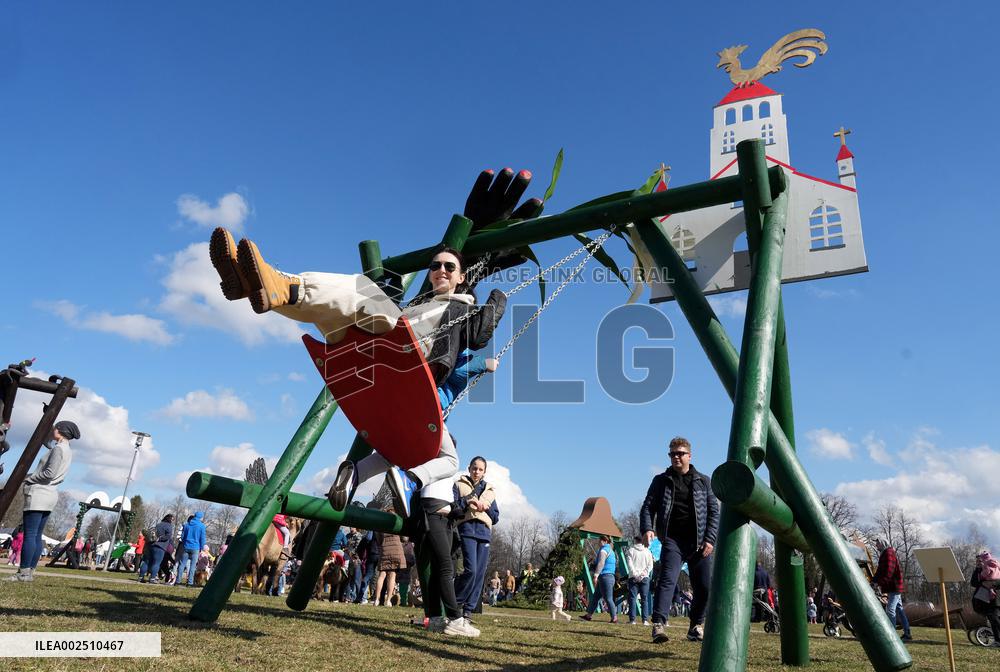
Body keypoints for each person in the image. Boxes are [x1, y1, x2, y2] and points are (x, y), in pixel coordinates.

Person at [640, 436, 719, 643]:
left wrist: (710, 539)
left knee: (703, 587)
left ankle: (695, 626)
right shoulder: (661, 481)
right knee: (668, 579)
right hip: (673, 540)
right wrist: (648, 528)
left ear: (689, 456)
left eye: (680, 453)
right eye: (672, 454)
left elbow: (714, 511)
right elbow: (648, 507)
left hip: (699, 542)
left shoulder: (703, 481)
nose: (676, 457)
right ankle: (658, 625)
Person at [412, 456, 479, 637]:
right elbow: (427, 496)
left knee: (437, 571)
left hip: (444, 519)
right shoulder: (429, 465)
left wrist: (465, 503)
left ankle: (435, 619)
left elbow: (450, 504)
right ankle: (455, 619)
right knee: (445, 567)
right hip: (432, 516)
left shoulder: (448, 470)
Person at [7, 420, 79, 583]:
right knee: (37, 535)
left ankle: (23, 573)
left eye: (54, 428)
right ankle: (29, 571)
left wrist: (27, 478)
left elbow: (48, 473)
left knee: (30, 534)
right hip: (50, 495)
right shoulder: (67, 450)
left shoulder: (58, 449)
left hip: (39, 493)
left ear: (59, 431)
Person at [452, 456, 498, 620]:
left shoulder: (490, 491)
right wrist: (467, 501)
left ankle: (468, 611)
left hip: (484, 533)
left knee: (479, 573)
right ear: (469, 468)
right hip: (467, 529)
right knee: (470, 570)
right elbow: (454, 509)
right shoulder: (459, 485)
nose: (476, 472)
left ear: (484, 472)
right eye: (474, 468)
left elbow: (496, 517)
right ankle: (455, 602)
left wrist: (486, 508)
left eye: (480, 469)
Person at [873, 539, 912, 642]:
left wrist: (879, 583)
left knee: (890, 610)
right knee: (899, 609)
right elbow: (879, 571)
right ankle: (907, 633)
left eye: (877, 543)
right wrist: (873, 581)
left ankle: (892, 635)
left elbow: (888, 572)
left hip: (894, 586)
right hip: (892, 586)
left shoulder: (889, 553)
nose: (876, 545)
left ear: (882, 543)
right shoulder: (884, 554)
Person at [581, 535, 618, 623]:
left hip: (605, 577)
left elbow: (601, 563)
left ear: (604, 541)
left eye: (599, 541)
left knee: (608, 598)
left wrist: (595, 575)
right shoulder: (611, 551)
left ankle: (614, 618)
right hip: (609, 577)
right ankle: (588, 615)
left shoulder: (604, 550)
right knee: (595, 597)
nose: (598, 543)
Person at [373, 511, 405, 607]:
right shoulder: (398, 522)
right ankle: (388, 601)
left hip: (385, 550)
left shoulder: (381, 524)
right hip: (396, 549)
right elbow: (405, 538)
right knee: (392, 575)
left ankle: (377, 600)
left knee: (382, 575)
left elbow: (378, 540)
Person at [971, 550, 1000, 647]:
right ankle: (997, 640)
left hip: (996, 599)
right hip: (983, 599)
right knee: (993, 619)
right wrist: (982, 582)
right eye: (977, 561)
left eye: (980, 560)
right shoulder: (978, 571)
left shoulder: (995, 567)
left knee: (995, 618)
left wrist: (992, 584)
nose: (979, 562)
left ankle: (998, 640)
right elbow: (973, 583)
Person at [626, 535, 654, 626]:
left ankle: (632, 620)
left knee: (632, 599)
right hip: (645, 577)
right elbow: (650, 565)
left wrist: (635, 575)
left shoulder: (631, 550)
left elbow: (630, 565)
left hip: (633, 577)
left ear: (635, 540)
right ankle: (645, 620)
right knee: (644, 599)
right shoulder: (648, 551)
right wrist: (642, 574)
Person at [139, 514, 174, 584]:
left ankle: (140, 577)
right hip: (160, 546)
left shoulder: (158, 524)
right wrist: (160, 538)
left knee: (146, 561)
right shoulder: (169, 526)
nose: (172, 521)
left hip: (151, 545)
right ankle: (152, 578)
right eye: (172, 519)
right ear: (169, 519)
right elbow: (168, 536)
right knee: (156, 563)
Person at [177, 511, 207, 587]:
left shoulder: (186, 525)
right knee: (193, 566)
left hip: (186, 546)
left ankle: (178, 581)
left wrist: (184, 544)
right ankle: (190, 583)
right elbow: (202, 538)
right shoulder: (202, 526)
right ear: (200, 517)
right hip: (195, 547)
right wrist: (201, 547)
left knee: (182, 564)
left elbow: (183, 537)